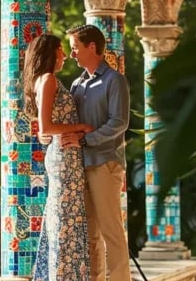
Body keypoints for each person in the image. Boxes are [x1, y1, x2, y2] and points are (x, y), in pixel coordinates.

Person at [23, 34, 93, 280]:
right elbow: (46, 128)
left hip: (63, 156)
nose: (64, 55)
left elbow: (45, 131)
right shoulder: (49, 80)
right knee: (66, 221)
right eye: (61, 50)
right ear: (50, 53)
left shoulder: (43, 81)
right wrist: (81, 127)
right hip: (64, 159)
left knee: (66, 219)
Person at [67, 24, 131, 281]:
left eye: (75, 48)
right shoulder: (77, 84)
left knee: (111, 232)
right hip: (81, 166)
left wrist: (86, 141)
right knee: (89, 234)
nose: (72, 54)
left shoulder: (115, 81)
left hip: (105, 164)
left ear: (91, 47)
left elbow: (119, 122)